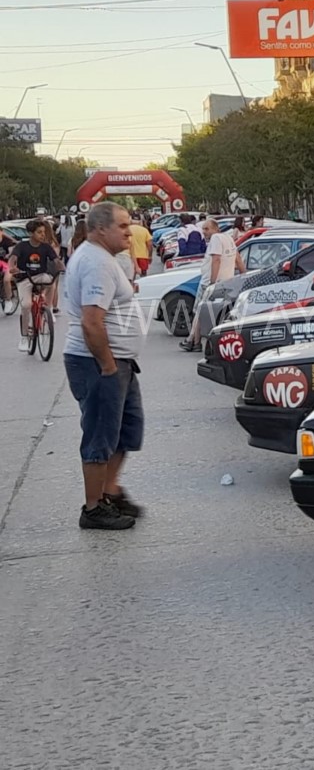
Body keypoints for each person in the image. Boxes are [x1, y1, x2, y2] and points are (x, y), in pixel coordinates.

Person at [62, 202, 144, 531]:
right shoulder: (96, 263)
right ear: (99, 229)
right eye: (122, 226)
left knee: (125, 430)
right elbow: (92, 323)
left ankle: (109, 491)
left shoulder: (103, 258)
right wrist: (108, 366)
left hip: (119, 361)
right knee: (100, 435)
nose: (129, 232)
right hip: (98, 363)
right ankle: (93, 508)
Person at [180, 218, 244, 352]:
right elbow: (238, 259)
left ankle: (192, 341)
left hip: (210, 283)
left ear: (216, 229)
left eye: (207, 229)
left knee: (199, 310)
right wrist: (245, 276)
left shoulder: (215, 239)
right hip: (227, 282)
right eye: (203, 229)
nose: (204, 232)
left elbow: (216, 260)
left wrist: (212, 282)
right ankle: (194, 341)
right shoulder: (228, 238)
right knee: (203, 311)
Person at [11, 220, 60, 351]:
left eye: (44, 232)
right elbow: (13, 258)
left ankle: (47, 308)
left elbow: (56, 260)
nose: (43, 235)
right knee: (26, 305)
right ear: (31, 233)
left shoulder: (46, 247)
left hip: (40, 276)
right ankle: (24, 336)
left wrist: (62, 267)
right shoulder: (22, 246)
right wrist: (12, 267)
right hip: (25, 278)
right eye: (39, 232)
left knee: (50, 282)